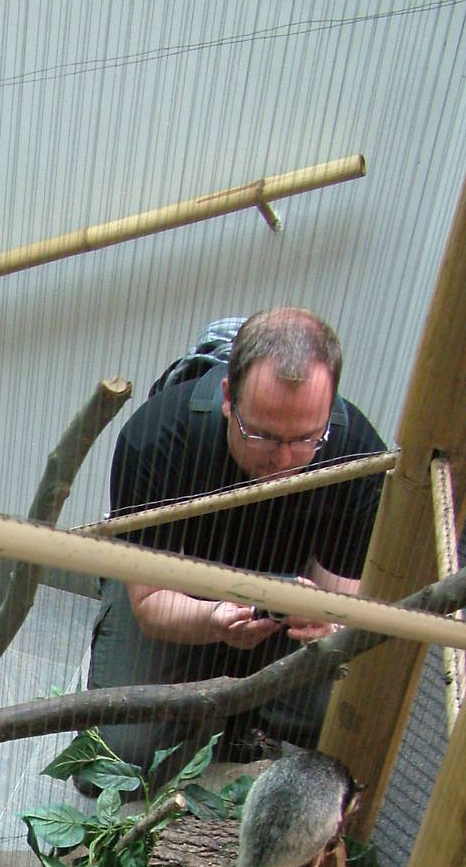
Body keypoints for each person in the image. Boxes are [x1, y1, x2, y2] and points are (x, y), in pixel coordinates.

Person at [87, 306, 387, 771]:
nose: (284, 459)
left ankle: (237, 707)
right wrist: (214, 621)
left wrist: (328, 622)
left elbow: (347, 601)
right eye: (262, 436)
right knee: (125, 752)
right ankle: (226, 699)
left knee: (345, 719)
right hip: (180, 596)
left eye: (306, 438)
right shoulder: (156, 439)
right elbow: (151, 603)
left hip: (287, 609)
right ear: (229, 396)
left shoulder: (359, 455)